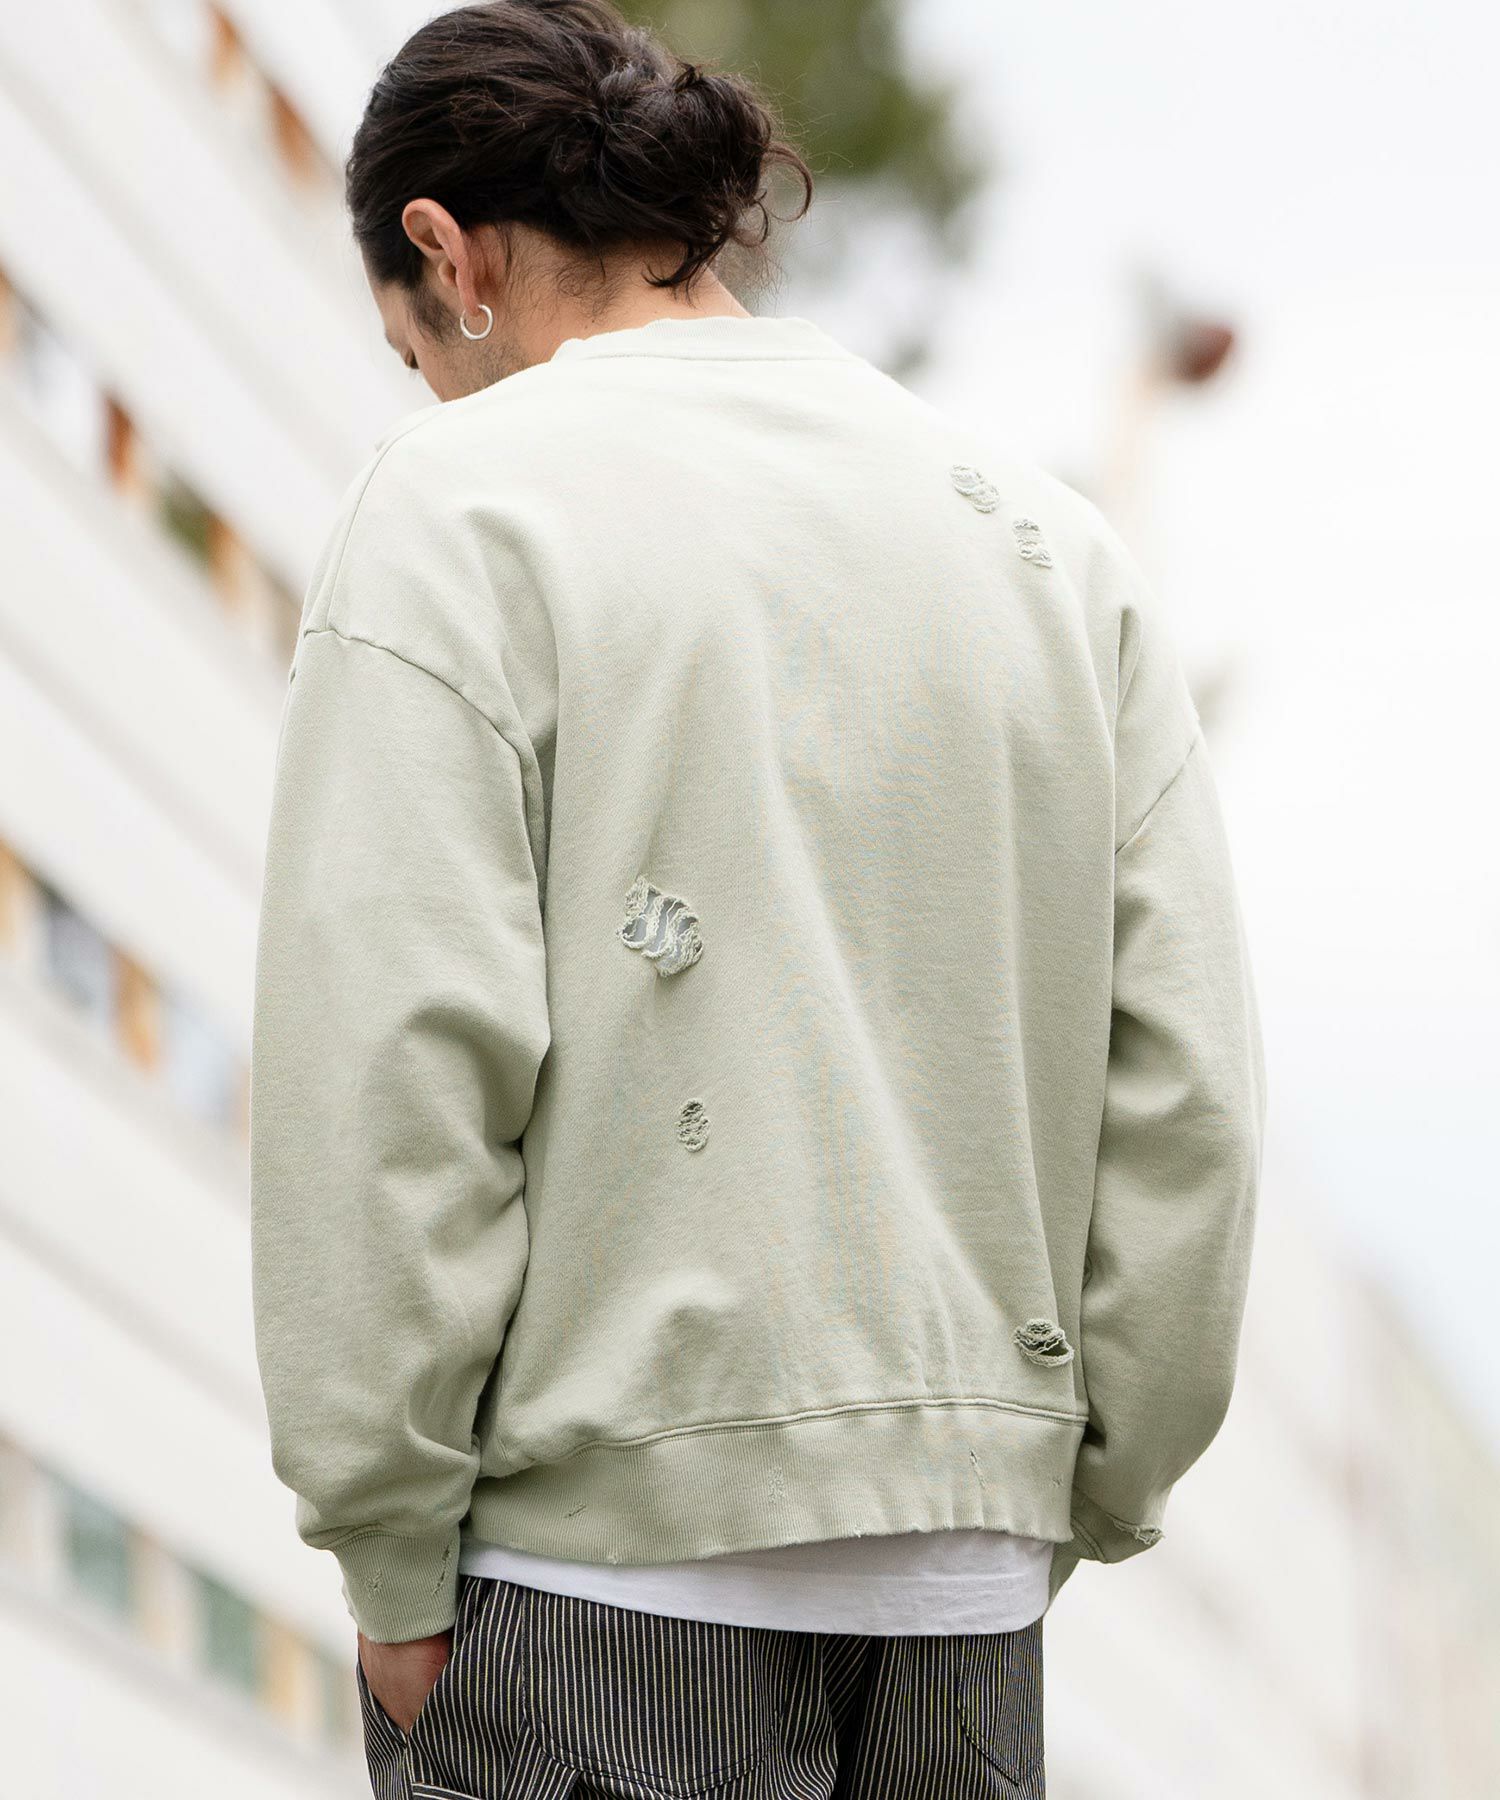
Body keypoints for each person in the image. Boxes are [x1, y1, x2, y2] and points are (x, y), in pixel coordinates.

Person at [247, 3, 1268, 1795]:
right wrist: (1075, 1483)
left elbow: (390, 1064)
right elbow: (1188, 1091)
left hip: (589, 1592)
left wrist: (384, 1541)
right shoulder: (1045, 545)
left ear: (447, 254)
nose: (430, 393)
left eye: (416, 351)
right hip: (963, 1598)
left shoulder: (457, 506)